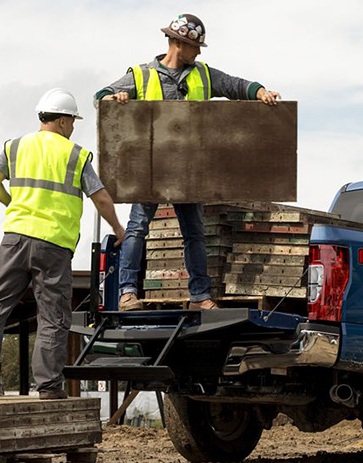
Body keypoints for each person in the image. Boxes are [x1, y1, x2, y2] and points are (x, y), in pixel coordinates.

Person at [95, 13, 281, 311]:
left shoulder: (204, 75)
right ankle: (128, 293)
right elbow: (101, 96)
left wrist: (260, 92)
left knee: (193, 232)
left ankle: (200, 297)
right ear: (179, 44)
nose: (199, 52)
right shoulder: (142, 76)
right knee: (138, 227)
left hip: (189, 170)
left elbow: (234, 85)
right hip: (152, 168)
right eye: (196, 46)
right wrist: (111, 99)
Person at [0, 88, 126, 400]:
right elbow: (101, 197)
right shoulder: (75, 155)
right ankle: (49, 387)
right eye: (73, 121)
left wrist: (13, 203)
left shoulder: (15, 146)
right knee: (52, 316)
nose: (73, 127)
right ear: (64, 121)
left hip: (15, 238)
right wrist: (119, 229)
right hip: (54, 244)